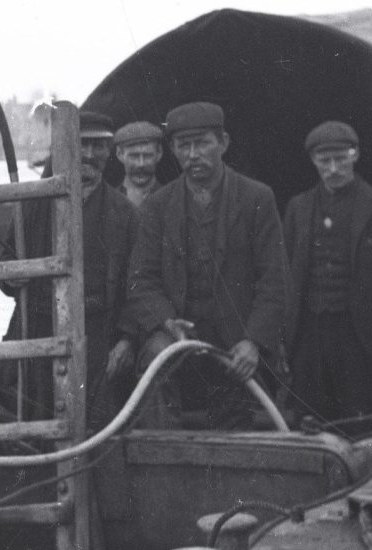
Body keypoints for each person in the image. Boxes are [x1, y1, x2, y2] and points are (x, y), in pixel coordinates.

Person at [123, 101, 288, 429]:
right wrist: (168, 322)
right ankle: (161, 455)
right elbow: (141, 281)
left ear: (223, 143)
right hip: (178, 338)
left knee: (239, 421)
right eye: (184, 146)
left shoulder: (257, 198)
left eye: (203, 143)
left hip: (236, 341)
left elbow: (275, 280)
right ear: (172, 150)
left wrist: (253, 341)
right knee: (156, 355)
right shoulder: (158, 206)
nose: (193, 154)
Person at [0, 111, 138, 427]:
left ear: (109, 152)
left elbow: (139, 286)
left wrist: (127, 340)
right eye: (81, 144)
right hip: (38, 326)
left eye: (98, 146)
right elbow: (5, 269)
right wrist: (12, 274)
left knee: (98, 422)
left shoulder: (125, 213)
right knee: (36, 420)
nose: (89, 155)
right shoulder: (31, 203)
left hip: (100, 333)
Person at [284, 121, 372, 427]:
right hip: (310, 338)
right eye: (324, 161)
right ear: (313, 161)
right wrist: (283, 339)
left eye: (341, 159)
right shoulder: (298, 208)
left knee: (362, 423)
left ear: (355, 155)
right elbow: (285, 275)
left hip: (361, 340)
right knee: (310, 423)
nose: (333, 168)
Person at [113, 121, 164, 208]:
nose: (141, 164)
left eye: (147, 156)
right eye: (134, 156)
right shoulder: (109, 201)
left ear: (159, 153)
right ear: (119, 154)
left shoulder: (172, 200)